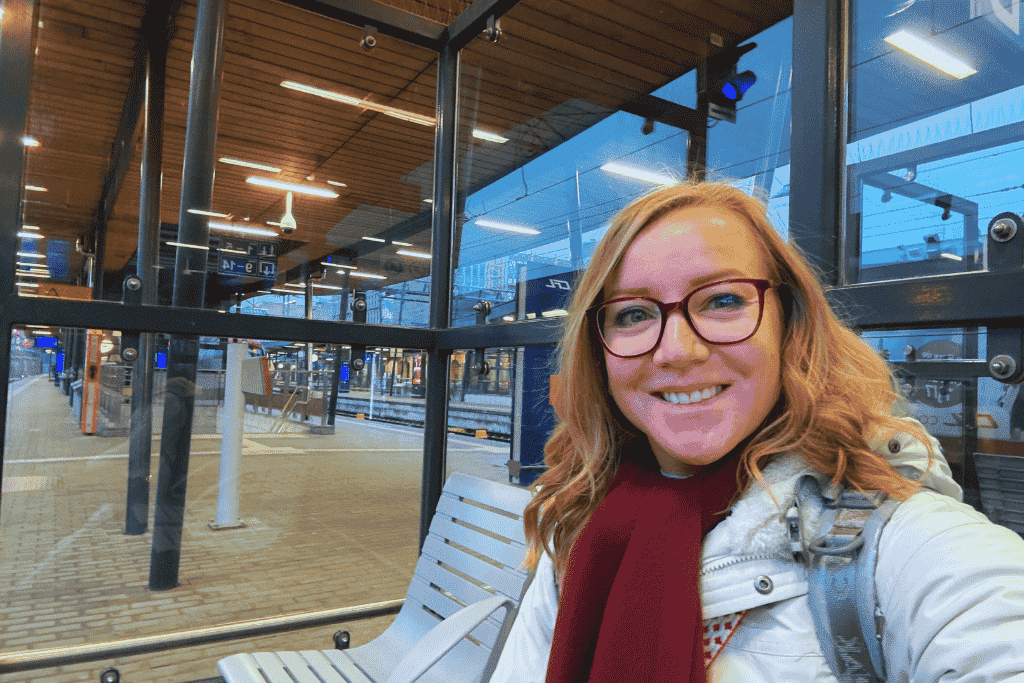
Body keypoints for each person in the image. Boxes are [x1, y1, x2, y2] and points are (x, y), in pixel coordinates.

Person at [489, 182, 1024, 682]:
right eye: (633, 314)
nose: (676, 350)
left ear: (789, 323)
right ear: (599, 349)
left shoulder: (901, 546)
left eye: (722, 300)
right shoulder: (581, 520)